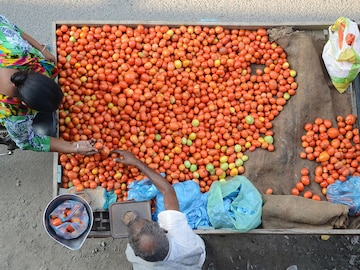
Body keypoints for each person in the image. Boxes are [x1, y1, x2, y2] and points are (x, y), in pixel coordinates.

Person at [0, 15, 97, 155]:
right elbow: (28, 141)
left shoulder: (15, 48)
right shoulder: (14, 117)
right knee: (47, 129)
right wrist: (73, 147)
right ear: (26, 105)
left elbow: (14, 29)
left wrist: (42, 50)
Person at [112, 149, 206, 270]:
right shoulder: (179, 233)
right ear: (164, 229)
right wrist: (137, 162)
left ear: (137, 254)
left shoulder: (134, 258)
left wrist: (131, 222)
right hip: (195, 259)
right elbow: (167, 191)